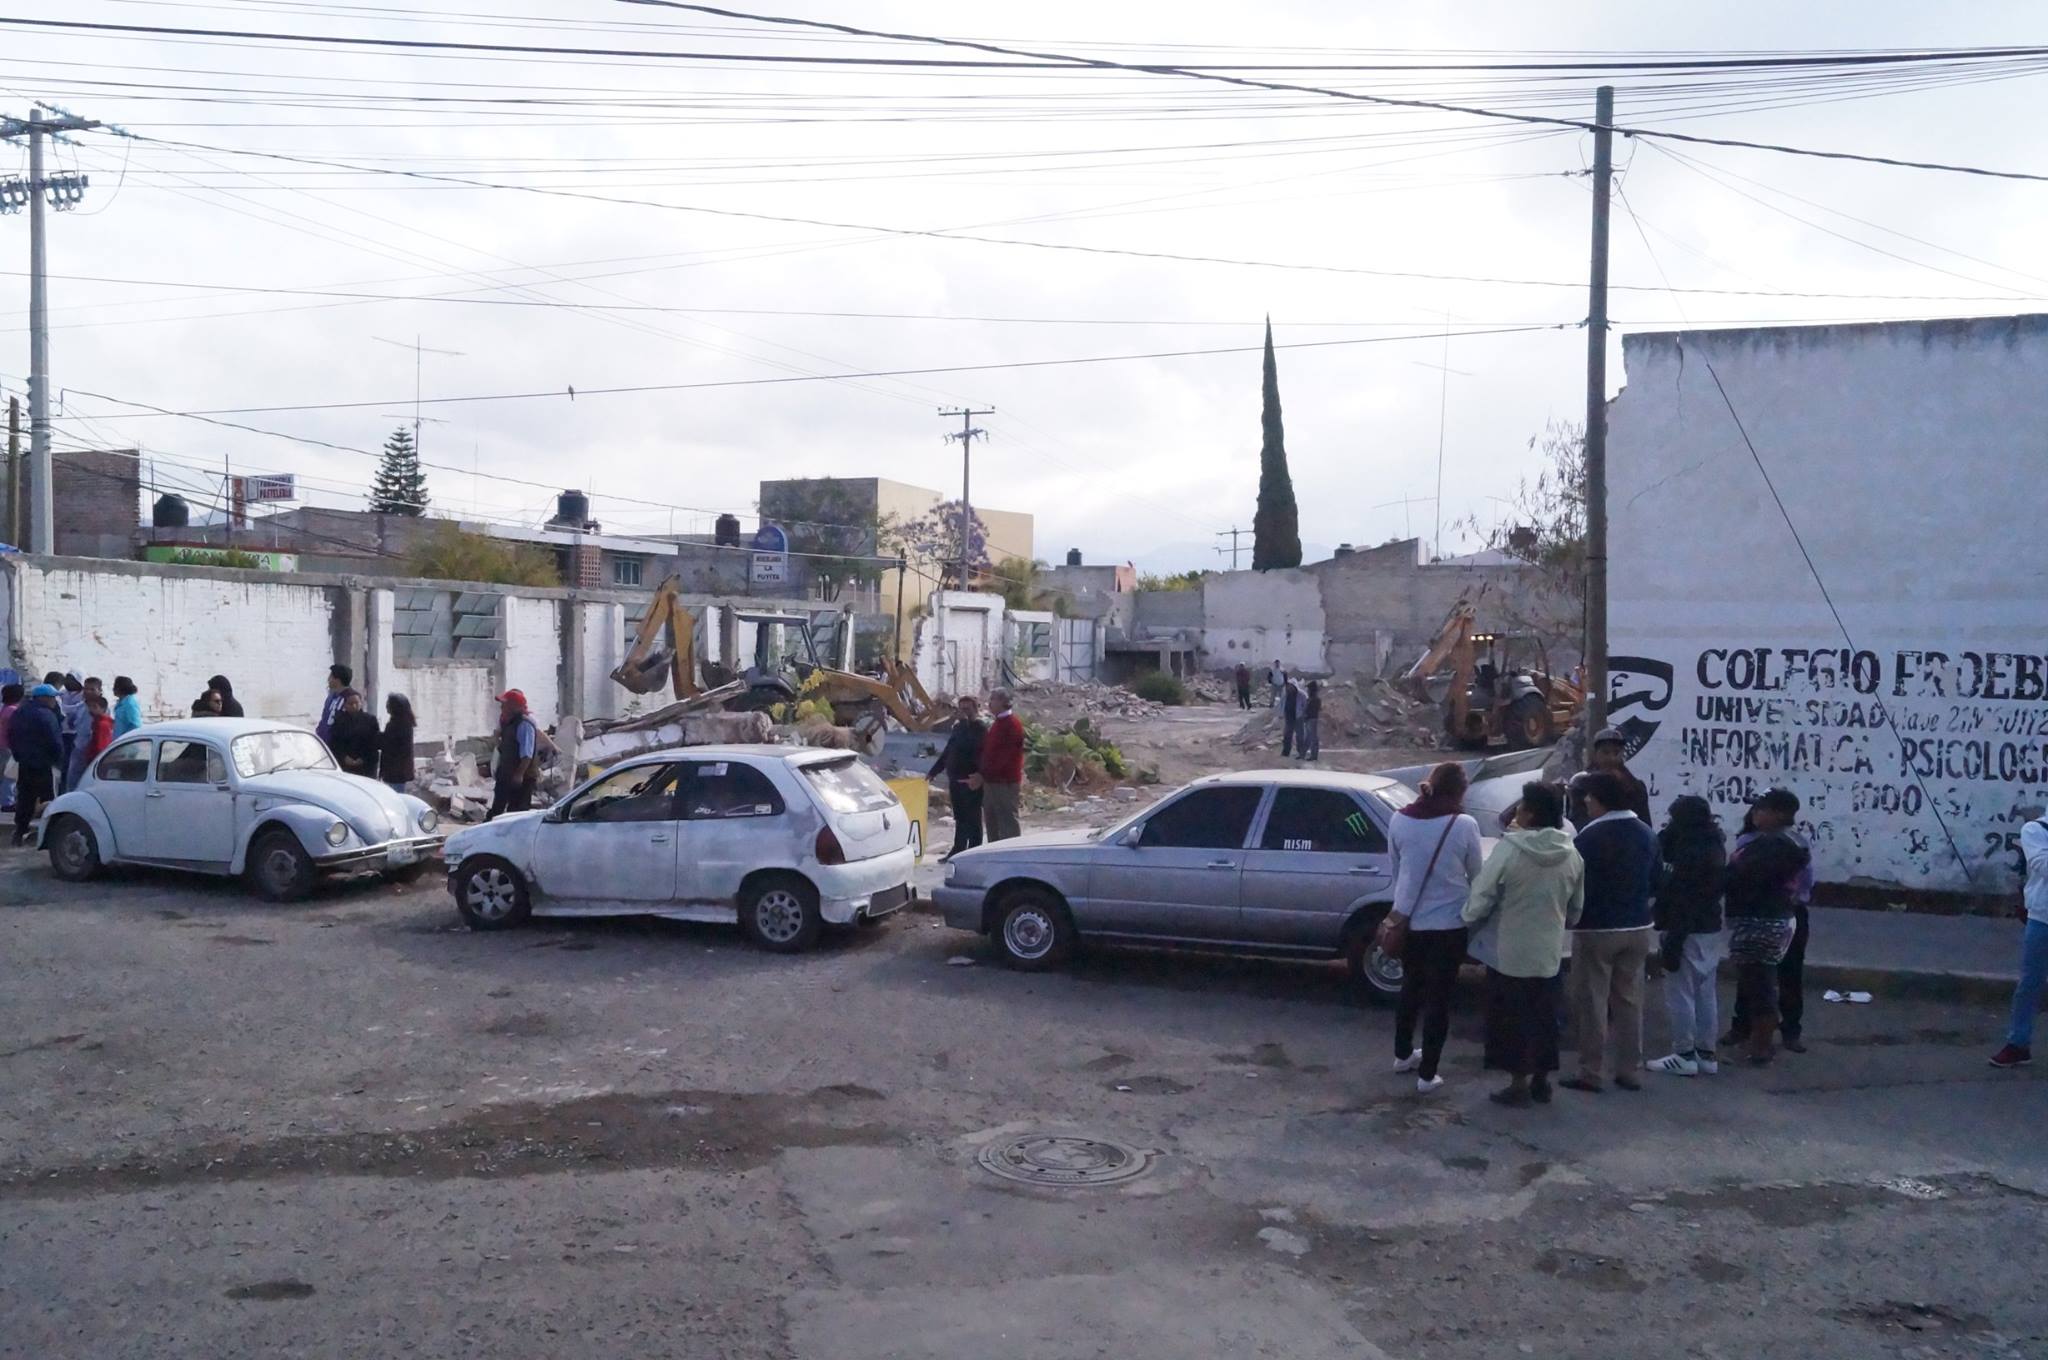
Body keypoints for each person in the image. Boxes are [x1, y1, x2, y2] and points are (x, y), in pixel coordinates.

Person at [1463, 781, 1585, 1107]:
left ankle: (1517, 1084)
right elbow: (1576, 908)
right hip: (1549, 953)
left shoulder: (1511, 849)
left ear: (1529, 813)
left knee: (1510, 1020)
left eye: (1521, 806)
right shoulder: (1572, 854)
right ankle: (1542, 1081)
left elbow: (1482, 894)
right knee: (1544, 1017)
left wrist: (1468, 919)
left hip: (1510, 952)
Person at [1387, 761, 1486, 1093]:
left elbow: (1397, 870)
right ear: (1460, 791)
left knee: (1410, 989)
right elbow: (1477, 875)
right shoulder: (1464, 824)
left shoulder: (1399, 819)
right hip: (1449, 925)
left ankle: (1402, 1055)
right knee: (1439, 999)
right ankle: (1428, 1074)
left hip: (1408, 921)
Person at [1562, 771, 1660, 1094]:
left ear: (1601, 799)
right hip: (1638, 926)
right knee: (1629, 1000)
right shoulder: (1646, 833)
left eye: (1590, 796)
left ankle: (1591, 1071)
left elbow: (1572, 883)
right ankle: (1629, 1069)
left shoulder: (1588, 838)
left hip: (1597, 927)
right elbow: (1658, 880)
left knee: (1592, 1001)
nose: (1586, 801)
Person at [1721, 789, 1812, 1064]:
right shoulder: (1778, 842)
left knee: (1766, 981)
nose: (1755, 813)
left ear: (1780, 814)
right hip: (1773, 915)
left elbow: (1741, 877)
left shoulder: (1773, 845)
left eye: (1762, 809)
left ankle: (1763, 1045)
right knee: (1756, 981)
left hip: (1763, 918)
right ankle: (1748, 1033)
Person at [1647, 796, 1730, 1077]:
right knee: (1705, 992)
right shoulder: (1713, 845)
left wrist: (1673, 942)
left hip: (1684, 929)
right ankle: (1706, 1053)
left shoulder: (1688, 853)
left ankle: (1683, 1053)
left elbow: (1683, 899)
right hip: (1709, 927)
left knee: (1680, 993)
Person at [1990, 810, 2048, 1069]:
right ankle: (2018, 1043)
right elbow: (2042, 865)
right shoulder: (2035, 830)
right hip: (2043, 916)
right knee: (2030, 983)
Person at [927, 695, 988, 859]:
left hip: (971, 780)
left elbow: (974, 746)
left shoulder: (979, 728)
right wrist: (934, 771)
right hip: (955, 779)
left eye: (967, 709)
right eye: (961, 709)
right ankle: (959, 849)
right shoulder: (958, 728)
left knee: (973, 818)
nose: (963, 712)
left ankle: (975, 851)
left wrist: (966, 722)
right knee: (960, 817)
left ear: (975, 710)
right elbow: (949, 751)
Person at [8, 684, 65, 847]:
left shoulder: (19, 712)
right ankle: (49, 834)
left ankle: (20, 831)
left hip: (25, 763)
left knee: (25, 798)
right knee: (48, 799)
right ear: (44, 698)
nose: (55, 700)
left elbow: (11, 735)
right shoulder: (46, 715)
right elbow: (55, 741)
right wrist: (59, 761)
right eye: (53, 697)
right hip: (44, 764)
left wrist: (18, 755)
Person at [1567, 727, 1652, 826]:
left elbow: (1645, 824)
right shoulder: (1581, 785)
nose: (1611, 758)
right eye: (1605, 752)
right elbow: (1577, 823)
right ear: (1595, 754)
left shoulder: (1636, 787)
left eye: (1616, 752)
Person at [974, 688, 1026, 842]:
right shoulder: (997, 723)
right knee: (992, 821)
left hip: (1004, 782)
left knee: (1007, 821)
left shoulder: (1011, 725)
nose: (990, 703)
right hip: (992, 781)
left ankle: (1010, 854)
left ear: (1004, 702)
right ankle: (994, 853)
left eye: (994, 699)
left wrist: (983, 775)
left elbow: (1004, 757)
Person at [487, 689, 539, 820]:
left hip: (521, 777)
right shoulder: (507, 722)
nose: (501, 707)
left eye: (505, 704)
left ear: (514, 707)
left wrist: (519, 775)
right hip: (506, 773)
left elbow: (527, 754)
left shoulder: (524, 725)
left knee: (517, 813)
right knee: (497, 808)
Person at [328, 689, 381, 777]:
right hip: (345, 766)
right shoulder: (339, 721)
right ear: (345, 705)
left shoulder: (370, 720)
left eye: (356, 703)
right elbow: (334, 743)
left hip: (366, 767)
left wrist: (363, 759)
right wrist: (344, 757)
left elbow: (374, 743)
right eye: (350, 703)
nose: (354, 706)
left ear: (361, 703)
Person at [379, 693, 417, 793]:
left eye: (388, 704)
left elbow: (388, 744)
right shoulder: (406, 723)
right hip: (401, 772)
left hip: (395, 772)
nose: (386, 706)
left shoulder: (396, 725)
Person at [56, 672, 87, 794]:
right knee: (63, 767)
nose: (67, 682)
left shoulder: (84, 697)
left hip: (76, 736)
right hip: (62, 734)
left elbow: (75, 710)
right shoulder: (62, 694)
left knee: (73, 767)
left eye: (71, 679)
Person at [316, 664, 351, 744]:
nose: (328, 680)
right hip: (324, 744)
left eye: (330, 677)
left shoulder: (351, 698)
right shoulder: (331, 697)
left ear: (337, 680)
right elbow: (324, 718)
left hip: (339, 746)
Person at [0, 681, 20, 813]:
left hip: (3, 745)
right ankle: (8, 802)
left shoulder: (4, 709)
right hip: (10, 746)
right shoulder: (14, 711)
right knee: (10, 775)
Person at [83, 694, 115, 766]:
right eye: (90, 706)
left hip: (96, 759)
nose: (91, 709)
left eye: (95, 707)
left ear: (103, 709)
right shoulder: (96, 721)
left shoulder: (102, 725)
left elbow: (101, 746)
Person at [1280, 674, 1301, 759]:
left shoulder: (1301, 695)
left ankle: (1301, 752)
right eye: (1288, 686)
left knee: (1300, 735)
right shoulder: (1286, 695)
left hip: (1298, 717)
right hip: (1289, 717)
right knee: (1287, 735)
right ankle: (1286, 752)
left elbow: (1304, 705)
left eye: (1290, 686)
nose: (1288, 688)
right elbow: (1282, 705)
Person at [1301, 680, 1323, 761]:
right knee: (1308, 738)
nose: (1307, 690)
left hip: (1312, 720)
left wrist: (1306, 715)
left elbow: (1313, 710)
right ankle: (1303, 754)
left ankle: (1313, 756)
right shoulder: (1311, 699)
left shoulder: (1315, 699)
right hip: (1309, 720)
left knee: (1312, 738)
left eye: (1309, 689)